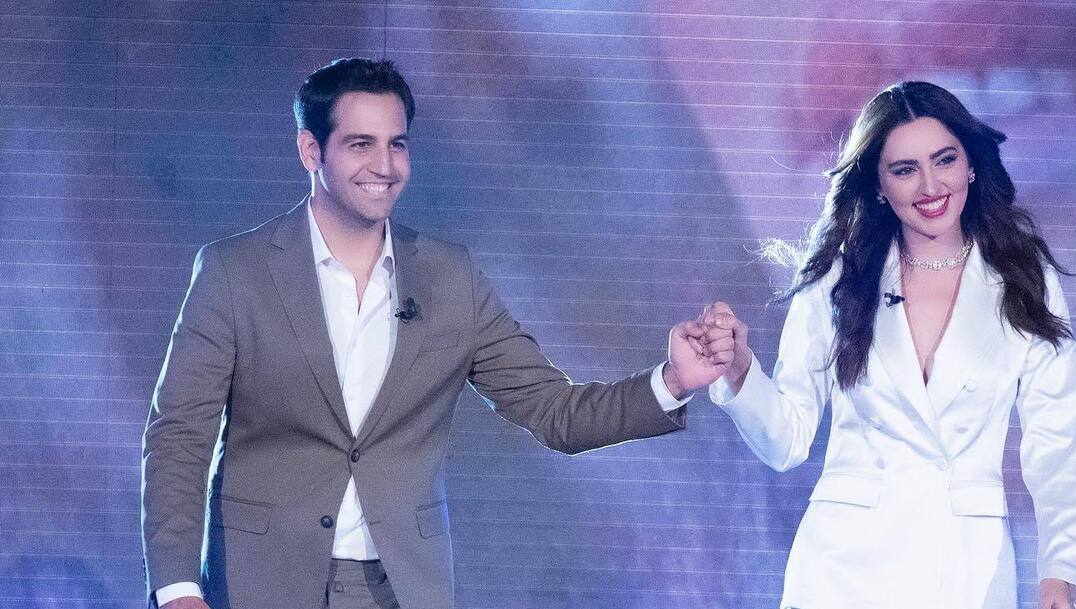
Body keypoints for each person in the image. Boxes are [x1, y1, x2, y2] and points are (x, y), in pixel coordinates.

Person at [140, 58, 733, 609]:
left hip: (401, 586)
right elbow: (179, 438)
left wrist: (674, 380)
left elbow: (557, 412)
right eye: (360, 144)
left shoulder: (451, 278)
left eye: (397, 144)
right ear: (310, 150)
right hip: (260, 583)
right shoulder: (235, 272)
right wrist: (176, 588)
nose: (384, 166)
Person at [700, 81, 1076, 609]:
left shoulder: (1022, 277)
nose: (930, 185)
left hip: (966, 567)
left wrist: (1061, 569)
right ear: (879, 185)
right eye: (905, 169)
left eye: (944, 160)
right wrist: (739, 371)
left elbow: (1059, 434)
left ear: (971, 165)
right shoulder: (838, 279)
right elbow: (786, 440)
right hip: (841, 572)